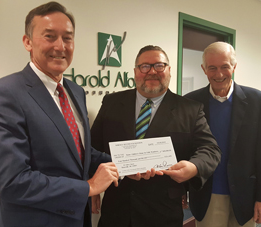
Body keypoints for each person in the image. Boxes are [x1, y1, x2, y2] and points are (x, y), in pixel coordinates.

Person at [0, 2, 120, 227]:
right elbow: (12, 182)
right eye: (49, 36)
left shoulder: (75, 91)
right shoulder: (4, 94)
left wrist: (126, 164)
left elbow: (78, 153)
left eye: (67, 38)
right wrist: (89, 187)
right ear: (27, 42)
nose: (60, 46)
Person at [90, 45, 221, 227]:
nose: (152, 72)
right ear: (135, 72)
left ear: (169, 71)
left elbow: (210, 149)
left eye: (159, 66)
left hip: (163, 212)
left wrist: (193, 167)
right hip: (116, 208)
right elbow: (93, 146)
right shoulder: (111, 102)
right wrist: (93, 185)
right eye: (145, 66)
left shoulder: (190, 109)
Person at [184, 41, 261, 227]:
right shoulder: (190, 102)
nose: (219, 74)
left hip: (245, 194)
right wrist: (182, 190)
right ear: (204, 69)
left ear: (234, 66)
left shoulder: (258, 101)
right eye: (212, 68)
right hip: (207, 193)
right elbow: (185, 148)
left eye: (225, 67)